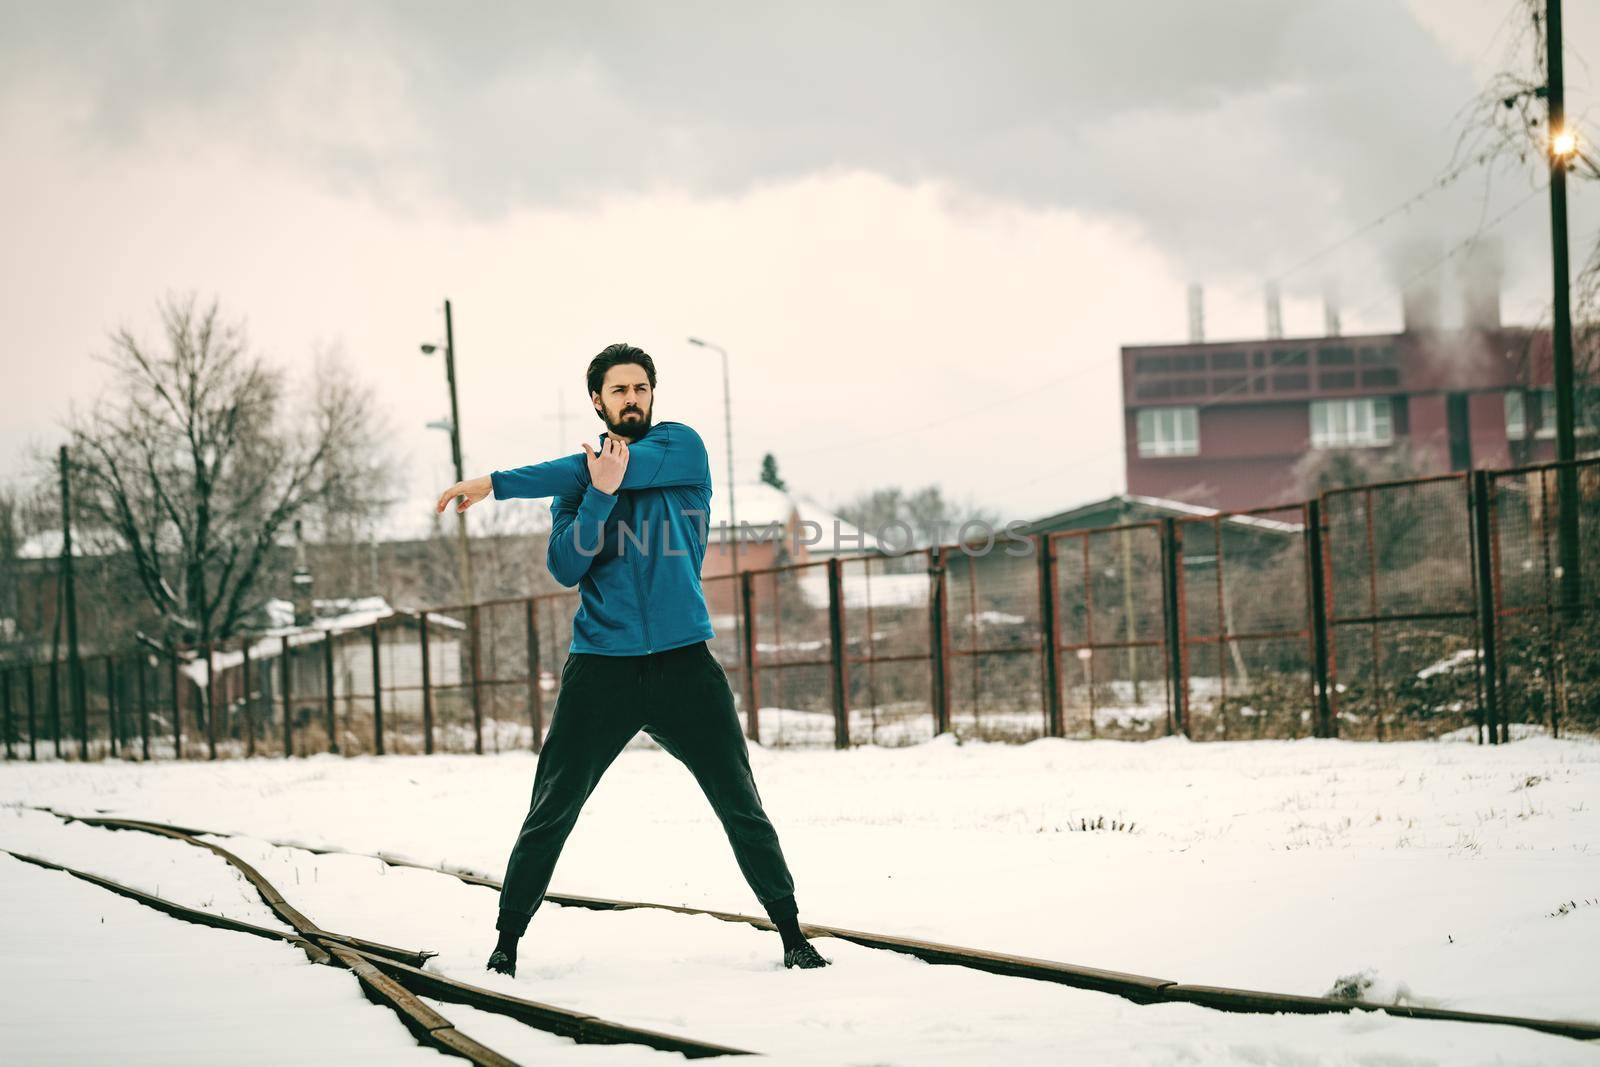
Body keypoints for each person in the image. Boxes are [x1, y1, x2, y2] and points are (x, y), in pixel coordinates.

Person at [434, 342, 831, 975]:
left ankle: (792, 933)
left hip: (685, 665)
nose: (632, 400)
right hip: (602, 668)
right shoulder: (575, 488)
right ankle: (506, 944)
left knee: (740, 802)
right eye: (618, 391)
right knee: (552, 807)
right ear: (598, 400)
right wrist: (596, 496)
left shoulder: (681, 449)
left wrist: (498, 483)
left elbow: (591, 466)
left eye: (641, 388)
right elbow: (566, 565)